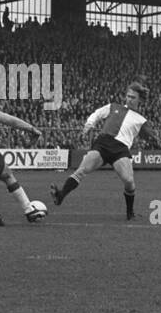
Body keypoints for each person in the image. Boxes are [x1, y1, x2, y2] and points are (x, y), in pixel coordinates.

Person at [50, 81, 155, 222]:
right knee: (81, 170)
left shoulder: (142, 120)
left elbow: (150, 136)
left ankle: (130, 213)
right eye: (128, 96)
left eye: (133, 97)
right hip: (103, 143)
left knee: (129, 181)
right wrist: (89, 124)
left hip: (120, 149)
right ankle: (61, 195)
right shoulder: (113, 107)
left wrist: (152, 138)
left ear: (140, 100)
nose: (129, 99)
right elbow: (97, 114)